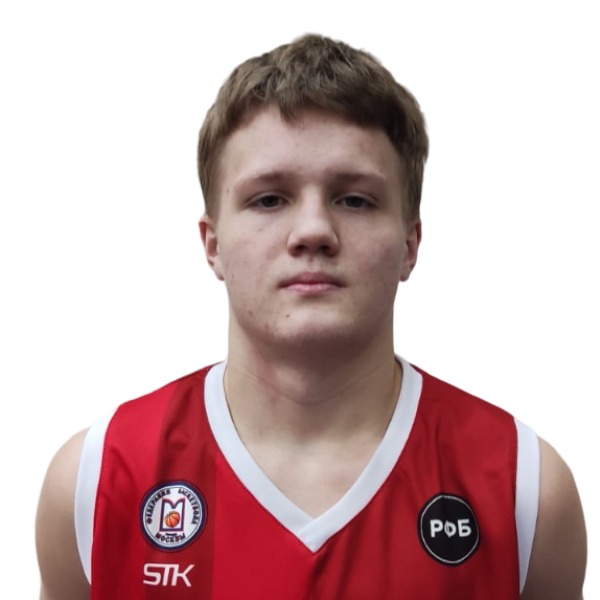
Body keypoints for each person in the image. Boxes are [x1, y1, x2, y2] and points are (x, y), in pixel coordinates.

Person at [35, 34, 587, 599]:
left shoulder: (525, 492)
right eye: (269, 199)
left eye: (355, 200)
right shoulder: (95, 481)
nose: (313, 231)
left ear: (410, 243)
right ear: (213, 244)